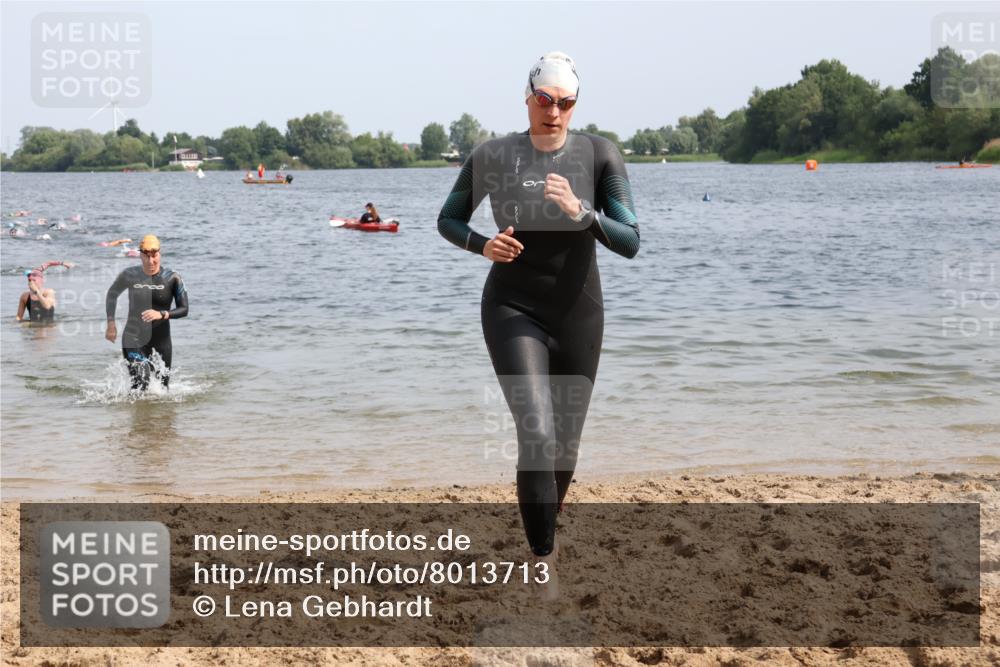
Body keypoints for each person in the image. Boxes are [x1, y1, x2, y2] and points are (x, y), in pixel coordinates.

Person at [437, 52, 639, 582]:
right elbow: (448, 219)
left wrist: (582, 213)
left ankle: (548, 524)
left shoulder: (600, 155)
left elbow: (630, 240)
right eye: (545, 100)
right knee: (538, 436)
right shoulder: (493, 155)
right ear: (527, 98)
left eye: (565, 103)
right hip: (512, 307)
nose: (554, 112)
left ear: (576, 104)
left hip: (579, 313)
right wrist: (482, 245)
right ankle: (541, 564)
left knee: (565, 448)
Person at [105, 235, 189, 391]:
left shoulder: (172, 278)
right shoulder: (129, 275)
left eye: (154, 256)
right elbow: (112, 294)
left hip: (162, 340)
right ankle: (134, 407)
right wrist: (111, 323)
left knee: (162, 388)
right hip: (133, 337)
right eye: (146, 256)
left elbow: (184, 309)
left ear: (160, 254)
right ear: (140, 255)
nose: (151, 261)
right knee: (141, 381)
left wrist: (162, 314)